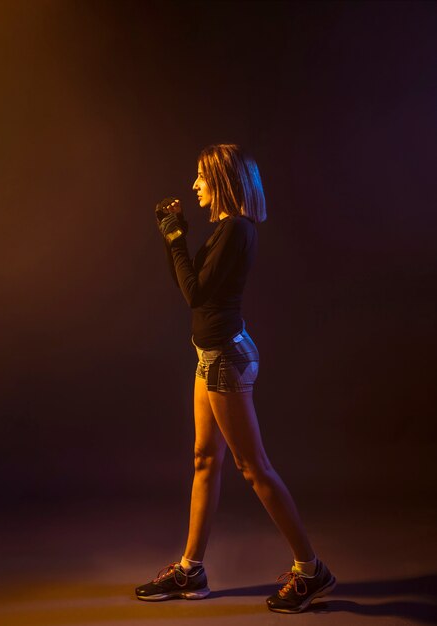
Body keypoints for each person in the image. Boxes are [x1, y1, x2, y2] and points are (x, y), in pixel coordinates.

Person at [135, 144, 336, 614]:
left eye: (201, 178)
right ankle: (191, 569)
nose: (195, 186)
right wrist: (174, 237)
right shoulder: (228, 230)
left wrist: (175, 237)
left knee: (254, 467)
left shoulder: (236, 230)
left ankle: (311, 570)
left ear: (221, 180)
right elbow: (194, 289)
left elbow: (195, 294)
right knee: (205, 459)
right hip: (211, 355)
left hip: (225, 357)